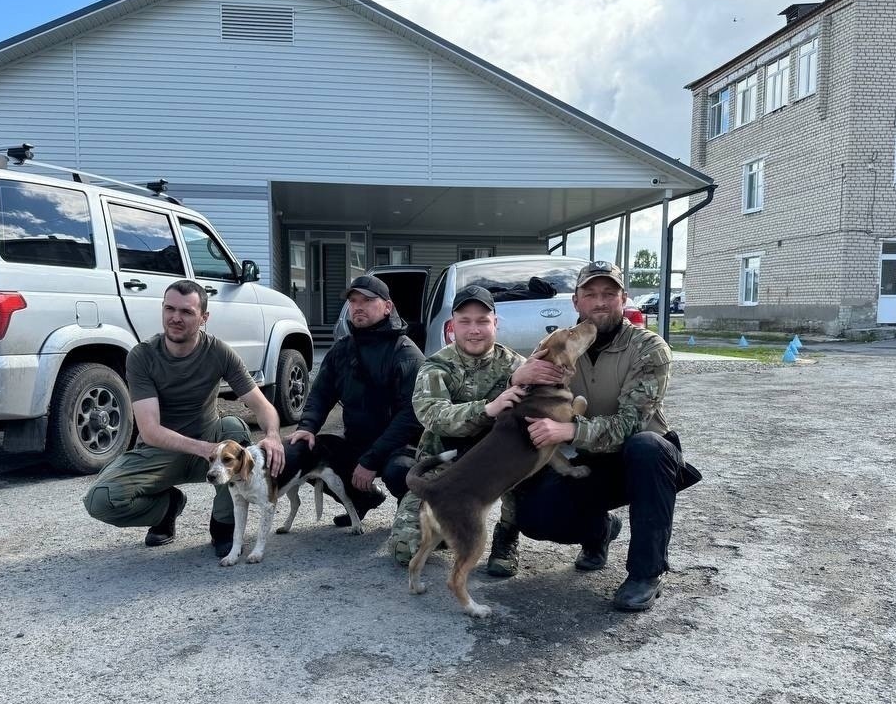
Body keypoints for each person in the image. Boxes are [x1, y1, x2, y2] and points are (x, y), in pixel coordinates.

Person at [514, 260, 700, 611]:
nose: (600, 302)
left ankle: (646, 573)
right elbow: (524, 397)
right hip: (592, 460)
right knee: (534, 516)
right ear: (576, 303)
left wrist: (569, 429)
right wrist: (517, 378)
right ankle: (600, 530)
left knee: (647, 446)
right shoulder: (558, 346)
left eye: (609, 294)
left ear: (623, 299)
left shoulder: (649, 347)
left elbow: (630, 423)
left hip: (644, 461)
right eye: (591, 294)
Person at [82, 280, 285, 558]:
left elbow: (261, 405)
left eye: (187, 312)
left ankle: (224, 526)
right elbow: (151, 430)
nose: (175, 318)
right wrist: (205, 450)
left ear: (204, 318)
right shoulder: (142, 356)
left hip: (209, 441)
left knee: (233, 429)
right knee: (100, 500)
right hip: (160, 452)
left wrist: (273, 435)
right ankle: (167, 508)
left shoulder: (219, 352)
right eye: (169, 309)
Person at [391, 285, 569, 573]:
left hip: (499, 462)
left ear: (495, 323)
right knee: (405, 550)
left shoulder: (518, 364)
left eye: (483, 321)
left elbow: (545, 407)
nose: (474, 330)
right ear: (452, 326)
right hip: (448, 467)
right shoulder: (435, 366)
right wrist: (489, 407)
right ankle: (442, 521)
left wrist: (518, 380)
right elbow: (434, 416)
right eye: (465, 321)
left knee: (531, 471)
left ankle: (506, 536)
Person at [287, 274, 423, 526]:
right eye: (353, 300)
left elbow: (411, 416)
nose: (358, 306)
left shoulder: (406, 354)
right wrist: (307, 427)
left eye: (368, 300)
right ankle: (361, 500)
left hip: (399, 447)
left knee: (400, 472)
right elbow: (320, 394)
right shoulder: (342, 349)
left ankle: (412, 515)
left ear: (387, 307)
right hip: (357, 443)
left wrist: (371, 459)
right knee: (305, 451)